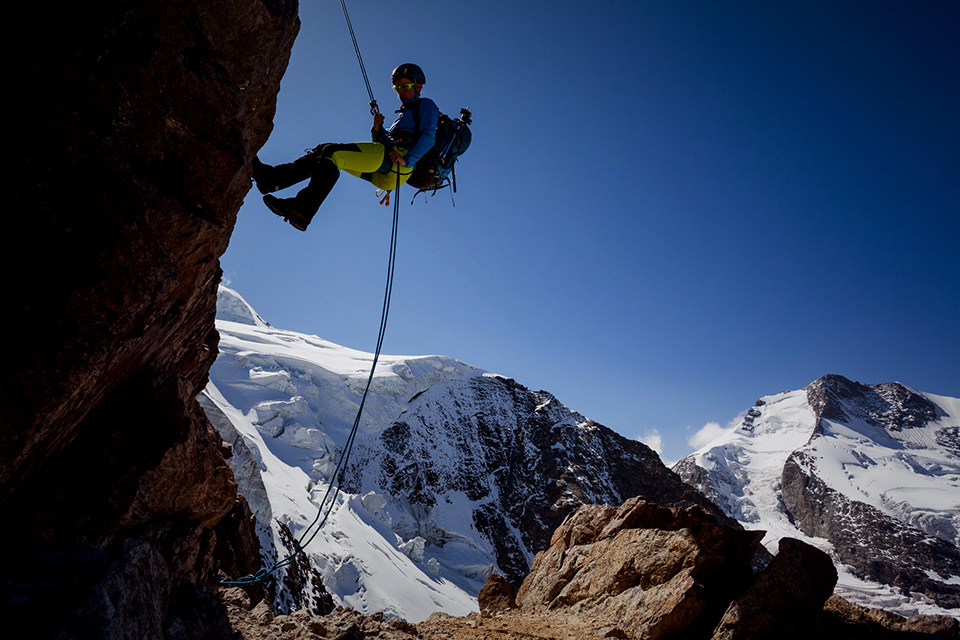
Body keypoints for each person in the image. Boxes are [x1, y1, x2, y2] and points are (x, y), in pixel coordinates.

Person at [252, 63, 439, 231]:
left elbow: (429, 137)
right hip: (386, 173)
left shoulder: (426, 105)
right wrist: (376, 130)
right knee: (324, 150)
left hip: (399, 165)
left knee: (333, 154)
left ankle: (302, 209)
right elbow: (378, 146)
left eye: (405, 87)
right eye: (397, 88)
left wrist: (407, 159)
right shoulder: (402, 117)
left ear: (418, 86)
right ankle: (271, 179)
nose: (400, 92)